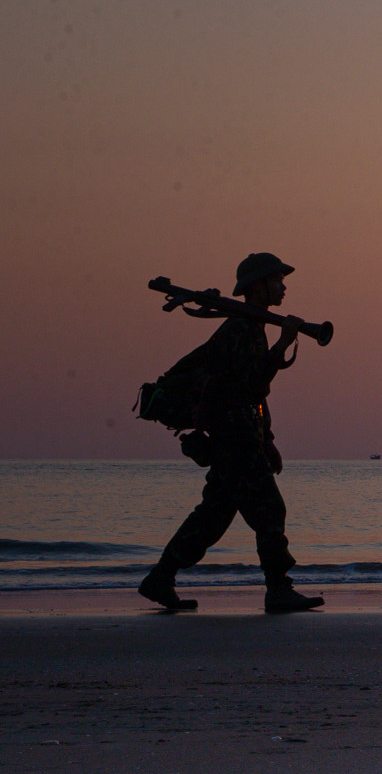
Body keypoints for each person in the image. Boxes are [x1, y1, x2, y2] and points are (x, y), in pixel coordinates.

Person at [139, 253, 324, 614]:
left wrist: (267, 440)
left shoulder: (249, 327)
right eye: (277, 280)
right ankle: (278, 590)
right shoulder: (241, 330)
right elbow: (252, 384)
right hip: (234, 438)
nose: (283, 286)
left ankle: (161, 578)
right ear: (258, 286)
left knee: (212, 516)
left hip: (238, 435)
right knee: (269, 509)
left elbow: (252, 394)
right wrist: (283, 345)